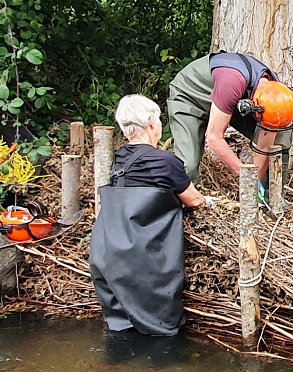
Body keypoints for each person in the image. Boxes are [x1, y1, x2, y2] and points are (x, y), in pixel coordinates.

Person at [90, 95, 211, 336]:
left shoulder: (120, 160)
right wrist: (209, 202)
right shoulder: (166, 161)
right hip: (146, 258)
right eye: (157, 119)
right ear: (151, 123)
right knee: (160, 331)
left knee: (122, 328)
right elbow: (194, 200)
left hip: (109, 251)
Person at [166, 51, 293, 185]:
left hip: (228, 101)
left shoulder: (276, 94)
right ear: (253, 105)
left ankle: (271, 198)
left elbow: (265, 147)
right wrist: (244, 174)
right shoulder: (232, 82)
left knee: (280, 139)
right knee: (188, 165)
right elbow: (214, 137)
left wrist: (255, 185)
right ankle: (184, 202)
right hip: (190, 97)